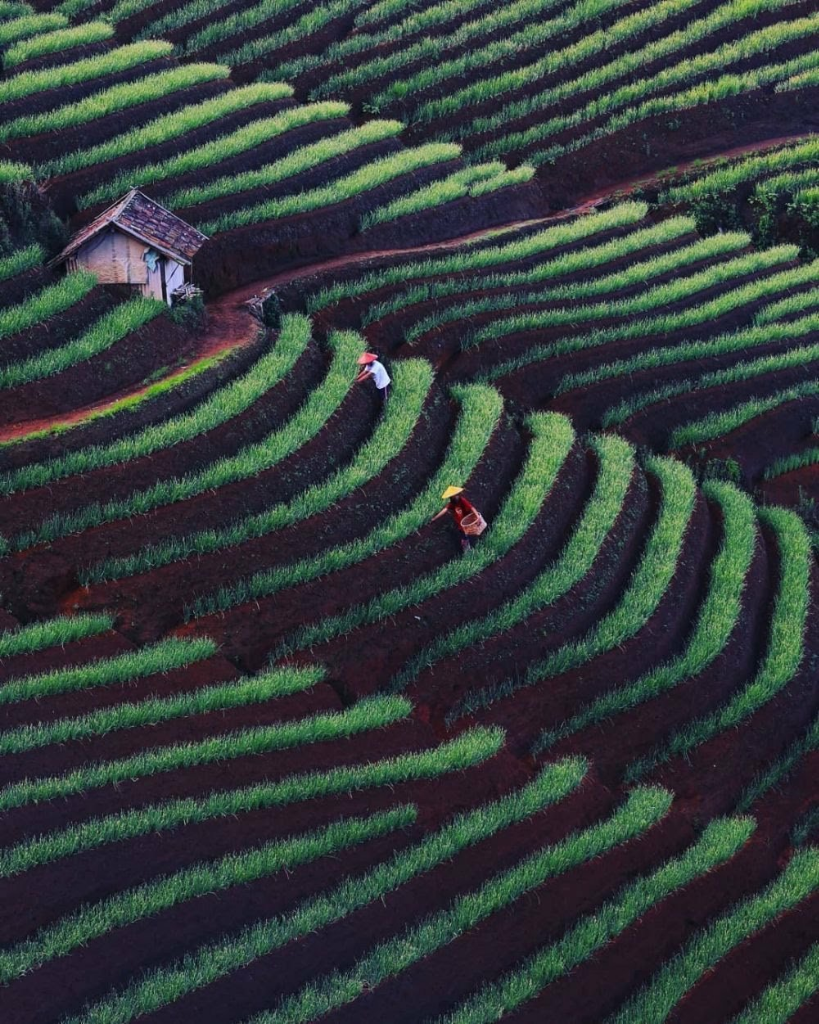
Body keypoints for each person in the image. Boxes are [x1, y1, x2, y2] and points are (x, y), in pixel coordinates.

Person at [430, 486, 486, 552]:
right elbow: (444, 510)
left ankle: (476, 545)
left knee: (471, 533)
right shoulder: (451, 504)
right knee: (464, 537)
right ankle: (467, 552)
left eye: (455, 495)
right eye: (453, 496)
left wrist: (477, 516)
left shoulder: (462, 500)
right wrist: (434, 518)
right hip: (461, 524)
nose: (455, 496)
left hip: (467, 521)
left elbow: (471, 508)